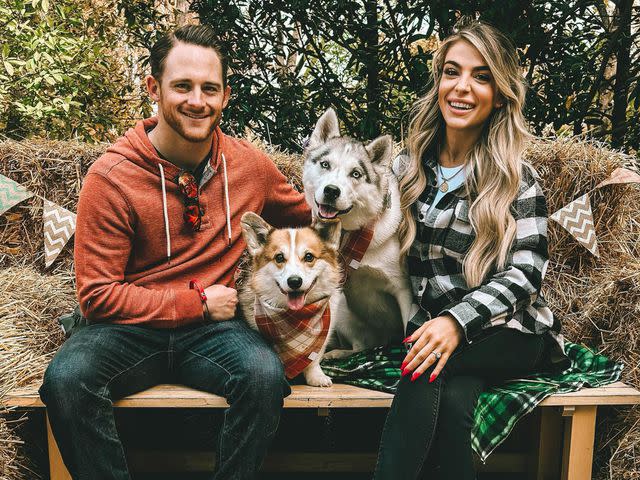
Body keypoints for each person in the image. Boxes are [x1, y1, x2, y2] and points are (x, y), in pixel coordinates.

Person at [39, 24, 310, 480]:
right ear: (153, 88)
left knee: (264, 377)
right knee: (66, 381)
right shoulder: (111, 177)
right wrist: (198, 302)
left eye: (210, 88)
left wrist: (375, 218)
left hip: (214, 334)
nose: (197, 101)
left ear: (226, 95)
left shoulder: (251, 166)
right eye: (182, 86)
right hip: (129, 329)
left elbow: (309, 221)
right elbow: (98, 296)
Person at [373, 20, 567, 480]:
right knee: (455, 396)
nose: (462, 87)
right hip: (434, 330)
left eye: (481, 76)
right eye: (451, 72)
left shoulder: (516, 176)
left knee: (420, 372)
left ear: (499, 94)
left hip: (509, 332)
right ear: (438, 81)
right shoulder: (404, 169)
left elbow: (526, 273)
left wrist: (457, 322)